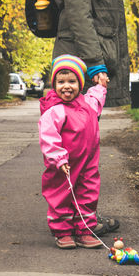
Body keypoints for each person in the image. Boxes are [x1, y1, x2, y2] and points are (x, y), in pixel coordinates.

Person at [51, 0, 128, 234]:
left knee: (85, 152)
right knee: (74, 153)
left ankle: (82, 215)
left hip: (84, 56)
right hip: (79, 61)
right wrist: (95, 61)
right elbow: (77, 9)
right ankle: (76, 221)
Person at [38, 54, 108, 249]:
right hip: (64, 165)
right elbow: (48, 137)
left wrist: (101, 84)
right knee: (61, 195)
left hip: (88, 163)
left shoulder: (88, 104)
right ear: (54, 84)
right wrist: (59, 159)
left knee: (88, 194)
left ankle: (85, 230)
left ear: (80, 83)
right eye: (61, 82)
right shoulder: (55, 111)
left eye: (72, 81)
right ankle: (62, 231)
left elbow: (97, 96)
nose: (66, 86)